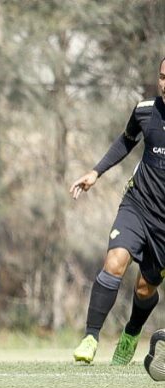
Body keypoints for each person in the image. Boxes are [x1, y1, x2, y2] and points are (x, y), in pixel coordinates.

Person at [71, 57, 165, 365]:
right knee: (114, 262)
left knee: (144, 288)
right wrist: (95, 172)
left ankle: (131, 333)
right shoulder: (145, 110)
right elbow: (126, 141)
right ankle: (90, 337)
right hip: (137, 205)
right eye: (163, 77)